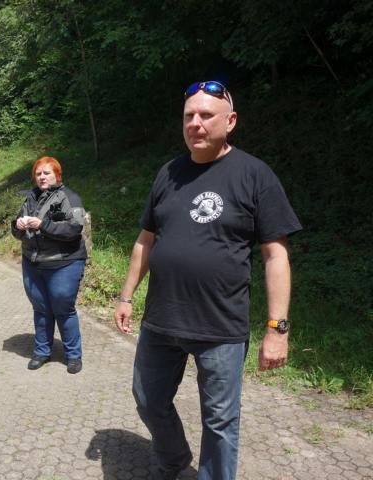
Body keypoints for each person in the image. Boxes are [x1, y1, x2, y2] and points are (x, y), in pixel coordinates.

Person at [114, 81, 302, 479]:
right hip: (161, 320)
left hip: (220, 327)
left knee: (219, 421)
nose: (195, 123)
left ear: (230, 121)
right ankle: (173, 458)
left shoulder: (255, 175)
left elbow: (276, 257)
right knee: (148, 400)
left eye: (205, 115)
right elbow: (145, 240)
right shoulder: (169, 173)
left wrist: (277, 329)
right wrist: (126, 296)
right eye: (189, 116)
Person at [12, 156, 88, 374]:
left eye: (47, 173)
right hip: (33, 262)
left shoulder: (69, 197)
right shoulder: (30, 199)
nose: (42, 177)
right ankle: (42, 352)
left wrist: (43, 225)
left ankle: (73, 356)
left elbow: (74, 228)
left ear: (57, 175)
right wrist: (17, 226)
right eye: (38, 174)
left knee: (63, 308)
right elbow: (16, 230)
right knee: (41, 309)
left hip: (64, 263)